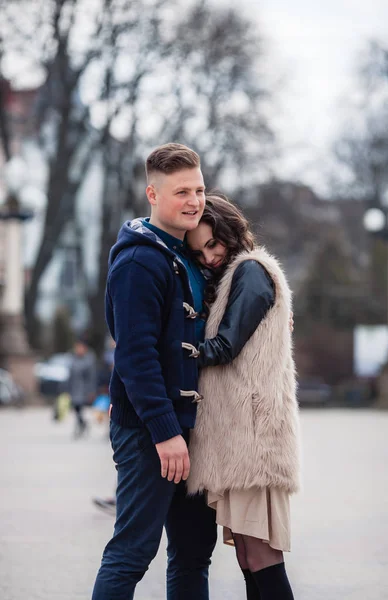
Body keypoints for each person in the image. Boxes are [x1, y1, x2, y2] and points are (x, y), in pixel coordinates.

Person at [92, 143, 218, 600]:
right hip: (150, 431)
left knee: (192, 553)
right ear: (152, 194)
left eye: (199, 189)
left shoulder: (185, 251)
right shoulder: (138, 261)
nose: (194, 201)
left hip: (189, 428)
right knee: (132, 552)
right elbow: (134, 357)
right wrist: (166, 433)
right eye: (181, 191)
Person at [185, 194, 301, 600]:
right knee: (250, 558)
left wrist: (182, 353)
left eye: (213, 244)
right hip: (241, 437)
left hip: (254, 439)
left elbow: (227, 345)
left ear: (230, 233)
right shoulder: (236, 275)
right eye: (199, 252)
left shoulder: (251, 271)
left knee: (261, 556)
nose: (209, 257)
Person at [67, 337, 97, 438]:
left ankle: (80, 426)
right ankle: (82, 424)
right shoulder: (73, 358)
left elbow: (92, 377)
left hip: (84, 388)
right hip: (74, 387)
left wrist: (92, 391)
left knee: (79, 407)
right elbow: (70, 375)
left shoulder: (89, 359)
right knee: (76, 408)